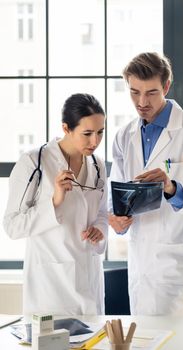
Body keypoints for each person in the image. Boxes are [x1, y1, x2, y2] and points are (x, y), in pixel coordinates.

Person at [108, 52, 183, 315]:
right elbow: (114, 194)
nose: (141, 102)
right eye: (134, 92)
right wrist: (114, 217)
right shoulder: (124, 136)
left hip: (176, 261)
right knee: (142, 338)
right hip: (140, 258)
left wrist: (172, 188)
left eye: (151, 92)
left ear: (166, 86)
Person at [3, 93, 108, 317]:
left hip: (89, 281)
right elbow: (12, 226)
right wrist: (55, 201)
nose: (95, 141)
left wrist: (100, 231)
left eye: (100, 132)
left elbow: (101, 212)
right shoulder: (33, 163)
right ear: (66, 128)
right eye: (87, 133)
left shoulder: (97, 165)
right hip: (51, 289)